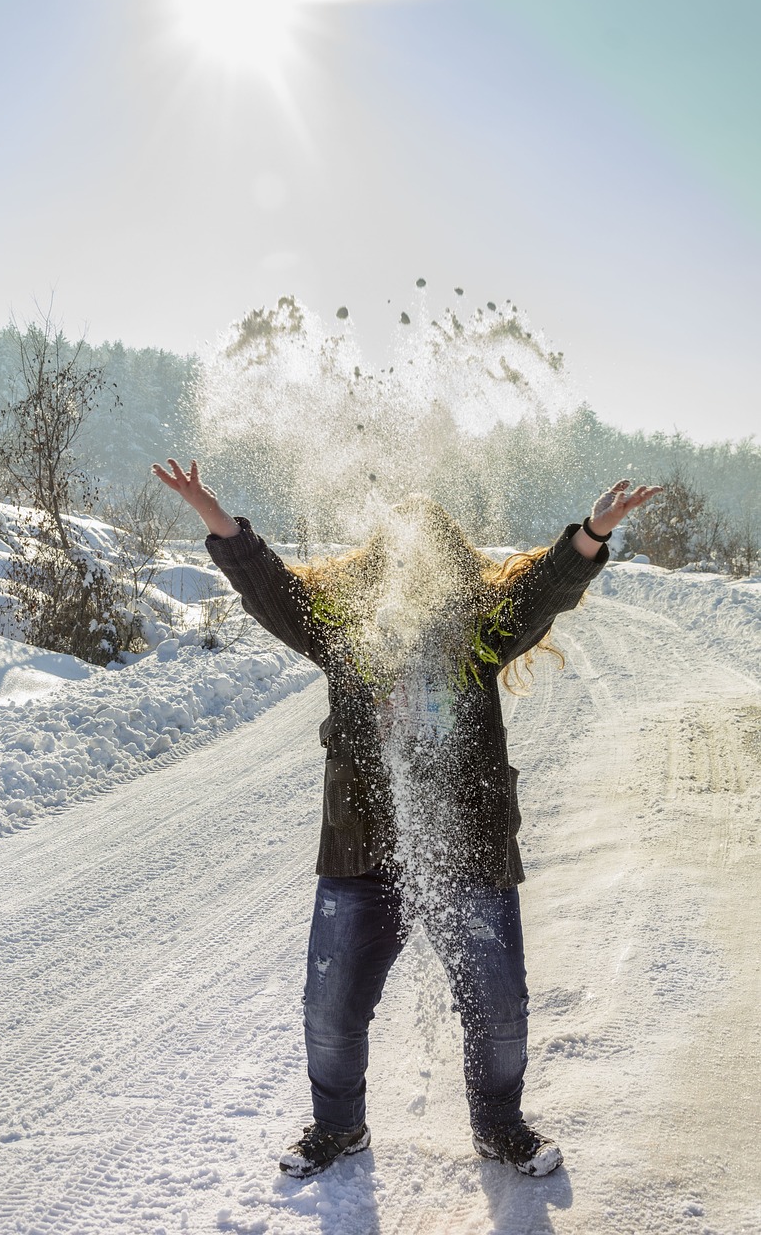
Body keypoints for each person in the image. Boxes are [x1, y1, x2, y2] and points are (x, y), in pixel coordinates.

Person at [153, 458, 661, 1179]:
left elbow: (544, 590)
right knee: (330, 1012)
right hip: (361, 851)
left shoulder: (479, 635)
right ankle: (338, 1130)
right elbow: (270, 589)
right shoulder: (343, 632)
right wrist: (215, 517)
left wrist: (590, 534)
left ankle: (500, 1127)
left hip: (468, 847)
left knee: (500, 1015)